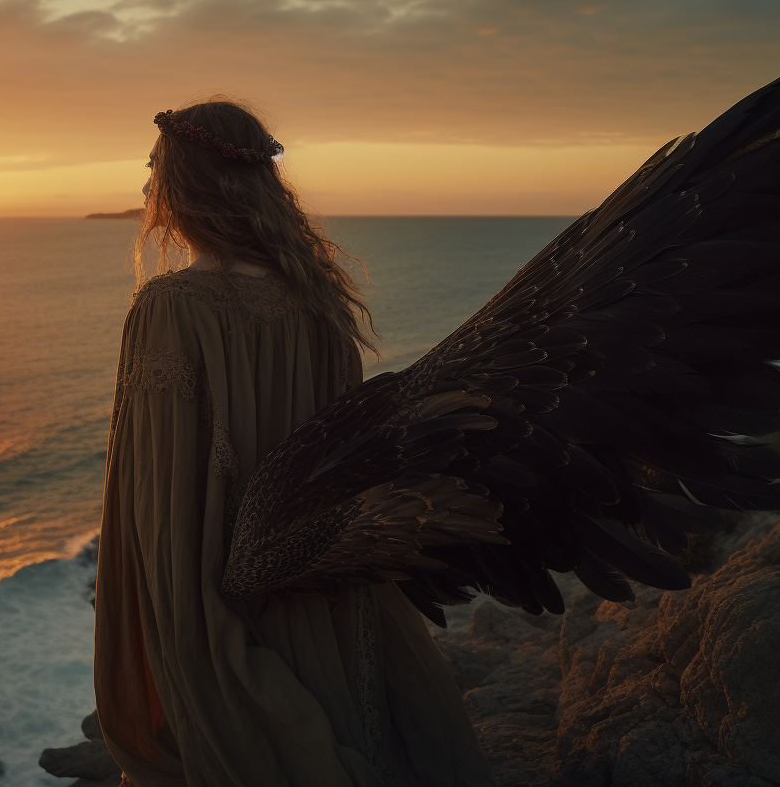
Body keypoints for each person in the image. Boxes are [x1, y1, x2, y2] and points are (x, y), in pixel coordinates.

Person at [92, 98, 495, 787]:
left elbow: (157, 497)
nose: (145, 187)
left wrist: (174, 623)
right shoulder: (321, 305)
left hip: (226, 587)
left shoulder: (170, 308)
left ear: (187, 183)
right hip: (323, 590)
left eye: (155, 169)